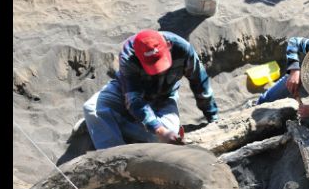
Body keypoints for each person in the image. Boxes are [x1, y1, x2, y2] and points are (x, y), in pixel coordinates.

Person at [83, 29, 219, 149]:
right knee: (91, 108)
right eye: (152, 66)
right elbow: (134, 100)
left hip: (164, 97)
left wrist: (213, 119)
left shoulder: (183, 49)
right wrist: (160, 130)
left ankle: (108, 124)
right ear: (138, 56)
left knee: (169, 135)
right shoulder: (128, 56)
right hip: (125, 91)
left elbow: (200, 83)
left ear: (168, 45)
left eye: (161, 62)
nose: (159, 71)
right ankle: (116, 157)